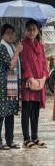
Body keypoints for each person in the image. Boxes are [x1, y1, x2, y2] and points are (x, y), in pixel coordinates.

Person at [0, 24, 22, 150]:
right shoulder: (1, 48)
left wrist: (16, 50)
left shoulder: (11, 46)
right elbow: (11, 66)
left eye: (12, 32)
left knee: (10, 113)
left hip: (12, 81)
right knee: (0, 113)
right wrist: (18, 51)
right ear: (3, 34)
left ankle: (10, 140)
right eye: (8, 33)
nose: (11, 35)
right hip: (3, 83)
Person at [20, 19, 48, 149]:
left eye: (34, 29)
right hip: (28, 82)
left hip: (39, 82)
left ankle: (35, 137)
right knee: (27, 110)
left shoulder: (40, 46)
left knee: (36, 111)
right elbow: (25, 63)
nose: (31, 32)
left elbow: (44, 63)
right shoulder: (23, 44)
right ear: (26, 30)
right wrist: (31, 78)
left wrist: (43, 78)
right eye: (29, 29)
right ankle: (26, 138)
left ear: (38, 31)